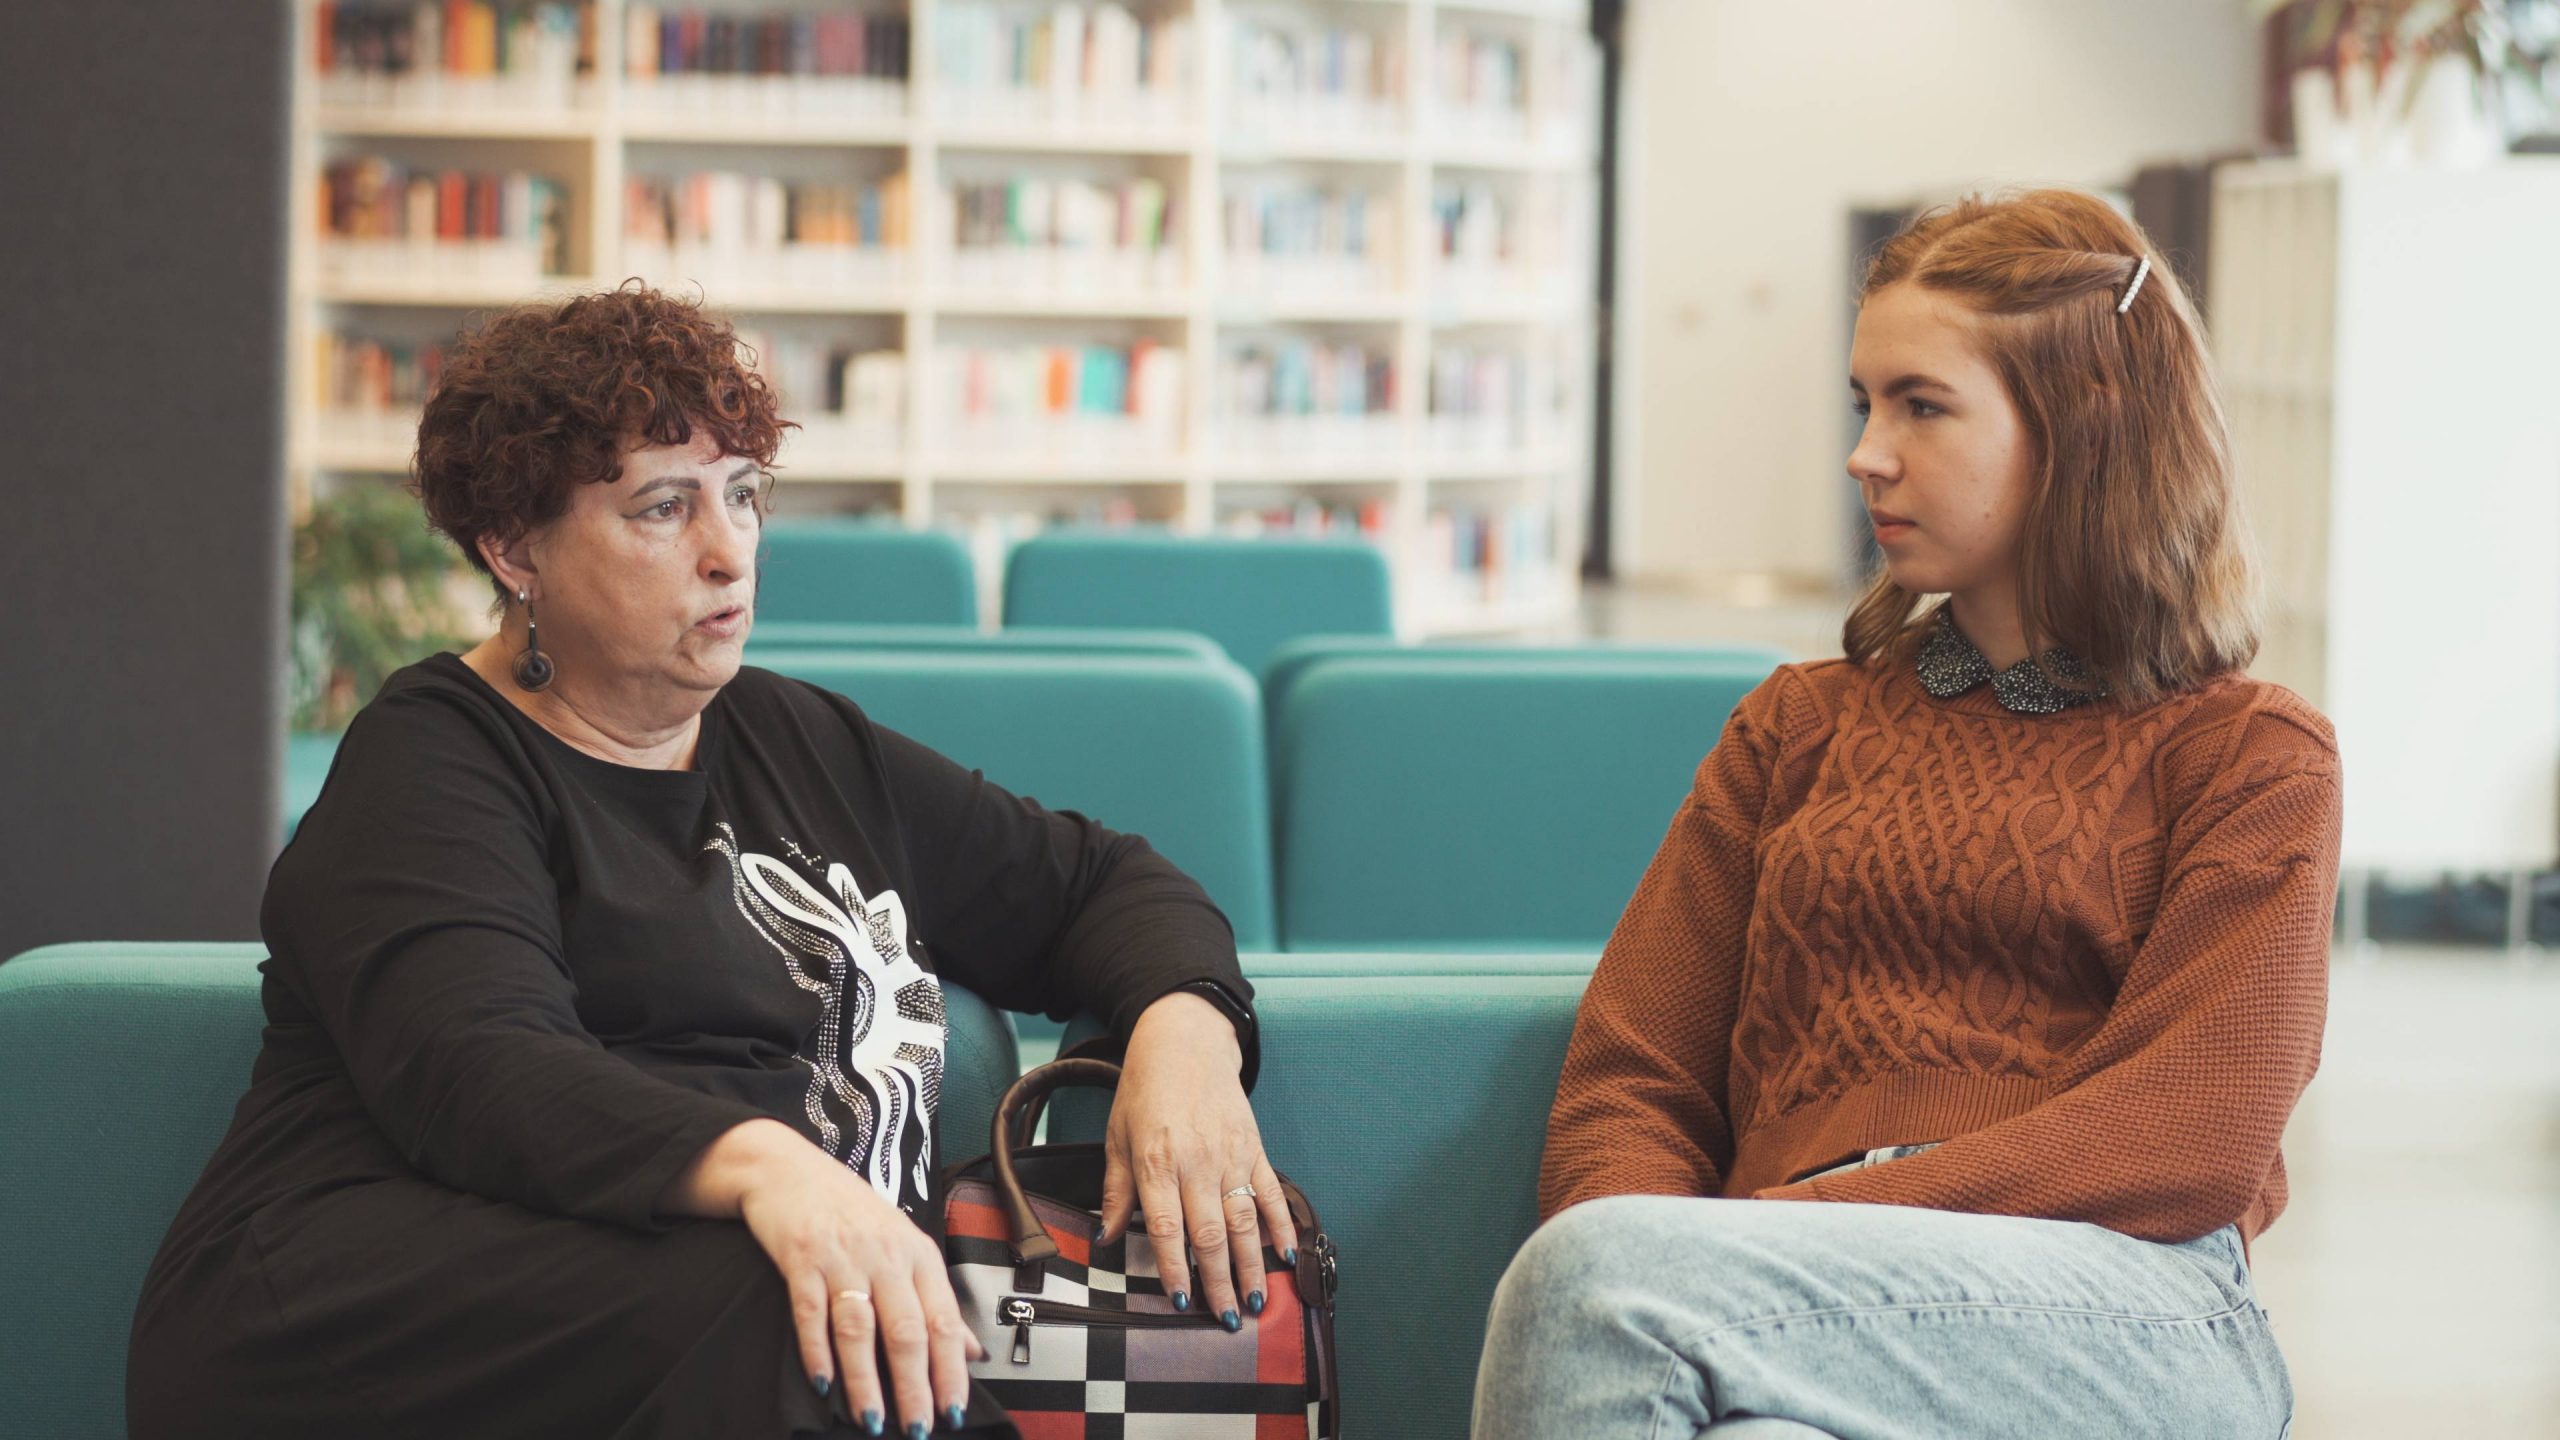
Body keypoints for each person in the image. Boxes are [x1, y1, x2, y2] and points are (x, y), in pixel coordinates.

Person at [128, 283, 1296, 1440]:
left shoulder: (803, 741)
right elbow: (482, 1068)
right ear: (515, 548)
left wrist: (1185, 1040)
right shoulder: (431, 759)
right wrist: (777, 1173)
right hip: (381, 1314)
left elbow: (1099, 883)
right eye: (662, 508)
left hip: (742, 1328)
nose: (729, 553)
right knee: (796, 1317)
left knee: (818, 1323)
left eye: (742, 495)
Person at [1472, 190, 2338, 1440]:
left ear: (2084, 424)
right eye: (1864, 405)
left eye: (1921, 406)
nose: (1866, 454)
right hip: (1781, 1292)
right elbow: (1633, 1075)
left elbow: (2184, 1134)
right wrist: (1693, 1246)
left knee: (1589, 1279)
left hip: (2121, 1303)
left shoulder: (2249, 756)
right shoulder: (1796, 726)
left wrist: (1750, 1240)